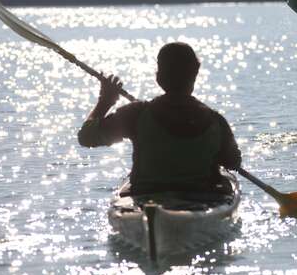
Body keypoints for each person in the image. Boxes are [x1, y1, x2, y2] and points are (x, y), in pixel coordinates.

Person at [78, 42, 241, 195]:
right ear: (195, 75)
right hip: (202, 198)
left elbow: (86, 137)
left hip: (147, 196)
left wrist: (105, 101)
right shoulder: (217, 122)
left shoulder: (135, 115)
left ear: (159, 77)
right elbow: (233, 162)